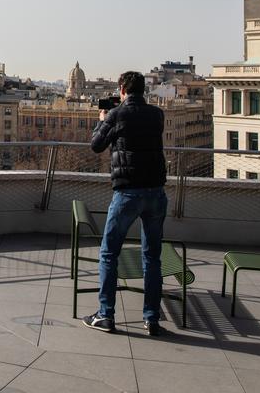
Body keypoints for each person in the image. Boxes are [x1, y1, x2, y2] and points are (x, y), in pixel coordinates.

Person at [84, 70, 168, 335]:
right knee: (152, 257)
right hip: (156, 192)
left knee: (109, 253)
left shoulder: (116, 114)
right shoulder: (157, 114)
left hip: (128, 191)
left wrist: (102, 120)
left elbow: (96, 145)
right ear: (143, 90)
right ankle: (151, 318)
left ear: (122, 89)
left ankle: (106, 315)